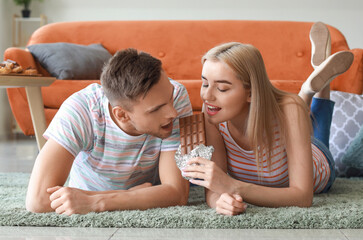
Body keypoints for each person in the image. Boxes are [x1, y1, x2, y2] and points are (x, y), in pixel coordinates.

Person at [181, 22, 354, 215]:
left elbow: (303, 197)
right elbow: (215, 187)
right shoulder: (212, 111)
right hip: (287, 135)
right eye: (205, 84)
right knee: (297, 115)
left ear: (251, 93)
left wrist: (233, 186)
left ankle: (312, 90)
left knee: (317, 133)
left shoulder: (290, 109)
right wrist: (220, 201)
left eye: (222, 88)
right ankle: (310, 87)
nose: (207, 96)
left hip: (318, 160)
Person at [26, 48, 193, 216]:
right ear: (121, 114)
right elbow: (38, 201)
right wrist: (135, 196)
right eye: (156, 109)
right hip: (147, 196)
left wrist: (96, 201)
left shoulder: (176, 95)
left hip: (96, 196)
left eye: (169, 99)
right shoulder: (81, 110)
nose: (173, 113)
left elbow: (177, 193)